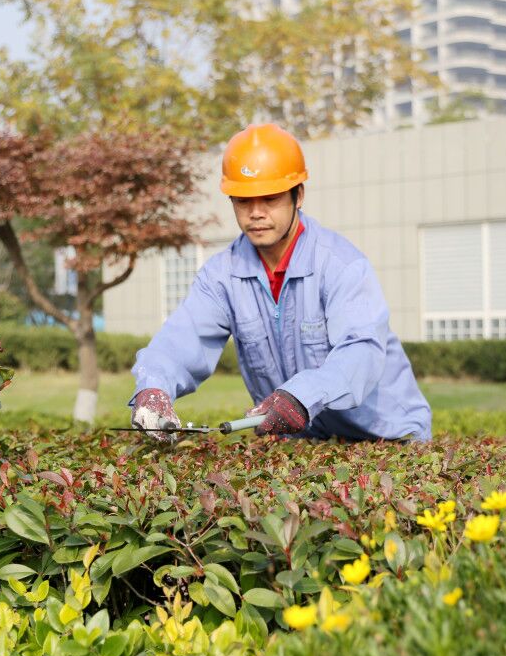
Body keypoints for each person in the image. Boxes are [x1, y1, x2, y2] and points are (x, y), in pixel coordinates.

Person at [129, 123, 431, 442]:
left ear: (297, 195)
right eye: (244, 201)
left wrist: (300, 396)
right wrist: (153, 388)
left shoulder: (341, 265)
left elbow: (361, 352)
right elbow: (181, 340)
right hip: (303, 444)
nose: (256, 213)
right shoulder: (221, 276)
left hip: (386, 437)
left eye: (270, 199)